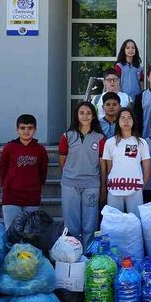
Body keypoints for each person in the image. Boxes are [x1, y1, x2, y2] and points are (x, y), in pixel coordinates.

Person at [59, 102, 104, 250]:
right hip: (70, 183)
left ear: (93, 116)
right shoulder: (67, 136)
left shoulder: (100, 138)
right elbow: (62, 160)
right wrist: (70, 175)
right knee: (71, 221)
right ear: (76, 115)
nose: (85, 116)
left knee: (90, 221)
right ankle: (72, 252)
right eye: (82, 113)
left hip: (91, 184)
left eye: (88, 113)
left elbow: (101, 162)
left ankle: (88, 252)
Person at [0, 114, 49, 229]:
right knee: (11, 232)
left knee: (30, 233)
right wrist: (7, 186)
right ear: (17, 130)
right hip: (11, 197)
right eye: (22, 128)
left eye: (30, 128)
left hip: (32, 197)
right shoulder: (9, 148)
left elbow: (43, 173)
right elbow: (3, 170)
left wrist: (36, 187)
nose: (26, 131)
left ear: (35, 130)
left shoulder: (40, 150)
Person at [100, 108, 150, 216]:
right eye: (122, 118)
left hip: (135, 189)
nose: (126, 121)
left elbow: (146, 168)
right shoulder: (110, 143)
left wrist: (142, 187)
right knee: (114, 221)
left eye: (129, 118)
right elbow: (108, 168)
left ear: (133, 121)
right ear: (118, 121)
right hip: (114, 189)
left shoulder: (141, 142)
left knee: (135, 221)